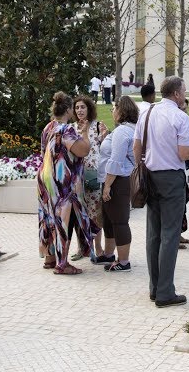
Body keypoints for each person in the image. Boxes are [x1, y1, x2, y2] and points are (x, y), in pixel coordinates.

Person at [134, 76, 189, 307]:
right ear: (176, 94)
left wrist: (142, 168)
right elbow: (184, 153)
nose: (185, 95)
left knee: (153, 233)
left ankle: (155, 288)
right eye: (184, 91)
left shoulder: (146, 113)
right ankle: (165, 292)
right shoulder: (180, 116)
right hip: (171, 178)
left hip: (149, 175)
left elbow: (137, 147)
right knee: (170, 234)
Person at [36, 92, 94, 275]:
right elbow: (83, 150)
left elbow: (44, 151)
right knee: (65, 219)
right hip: (63, 182)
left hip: (46, 178)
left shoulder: (48, 127)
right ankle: (62, 263)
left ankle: (50, 257)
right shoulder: (66, 130)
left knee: (48, 216)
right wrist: (84, 134)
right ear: (69, 110)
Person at [101, 96, 139, 272]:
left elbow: (115, 161)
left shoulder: (123, 132)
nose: (112, 111)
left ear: (121, 110)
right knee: (110, 220)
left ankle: (124, 262)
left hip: (117, 181)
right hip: (117, 179)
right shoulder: (129, 129)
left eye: (114, 108)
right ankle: (109, 255)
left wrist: (107, 185)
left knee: (119, 221)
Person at [70, 94, 107, 262]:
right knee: (79, 213)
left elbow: (104, 149)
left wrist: (104, 138)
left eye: (82, 107)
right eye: (77, 108)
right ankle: (82, 248)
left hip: (94, 176)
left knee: (95, 214)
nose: (79, 110)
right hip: (76, 177)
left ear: (89, 108)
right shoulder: (70, 128)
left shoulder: (98, 126)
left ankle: (98, 248)